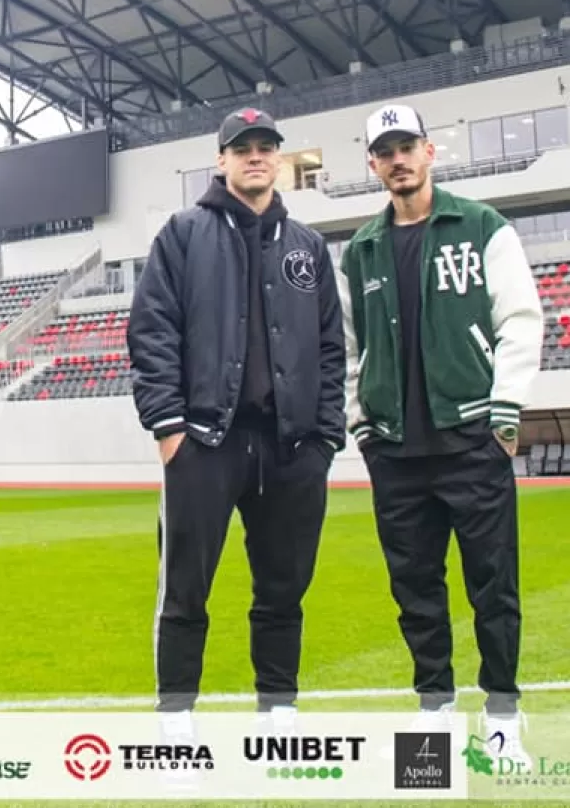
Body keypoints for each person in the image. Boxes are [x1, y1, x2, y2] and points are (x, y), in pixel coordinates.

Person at [127, 107, 346, 735]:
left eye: (265, 146)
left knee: (283, 591)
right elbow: (152, 330)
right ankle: (176, 723)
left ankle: (278, 715)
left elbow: (332, 347)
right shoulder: (182, 233)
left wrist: (324, 436)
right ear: (221, 160)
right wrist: (169, 429)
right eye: (242, 147)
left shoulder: (306, 247)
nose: (255, 155)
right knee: (185, 592)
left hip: (292, 448)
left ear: (278, 158)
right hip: (204, 444)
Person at [338, 103, 543, 767]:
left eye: (406, 146)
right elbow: (345, 348)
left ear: (430, 151)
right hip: (395, 453)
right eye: (384, 151)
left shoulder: (482, 226)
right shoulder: (363, 249)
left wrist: (505, 408)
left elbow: (519, 317)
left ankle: (503, 715)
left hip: (471, 441)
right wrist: (362, 419)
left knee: (494, 587)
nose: (397, 159)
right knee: (415, 592)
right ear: (372, 164)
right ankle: (435, 716)